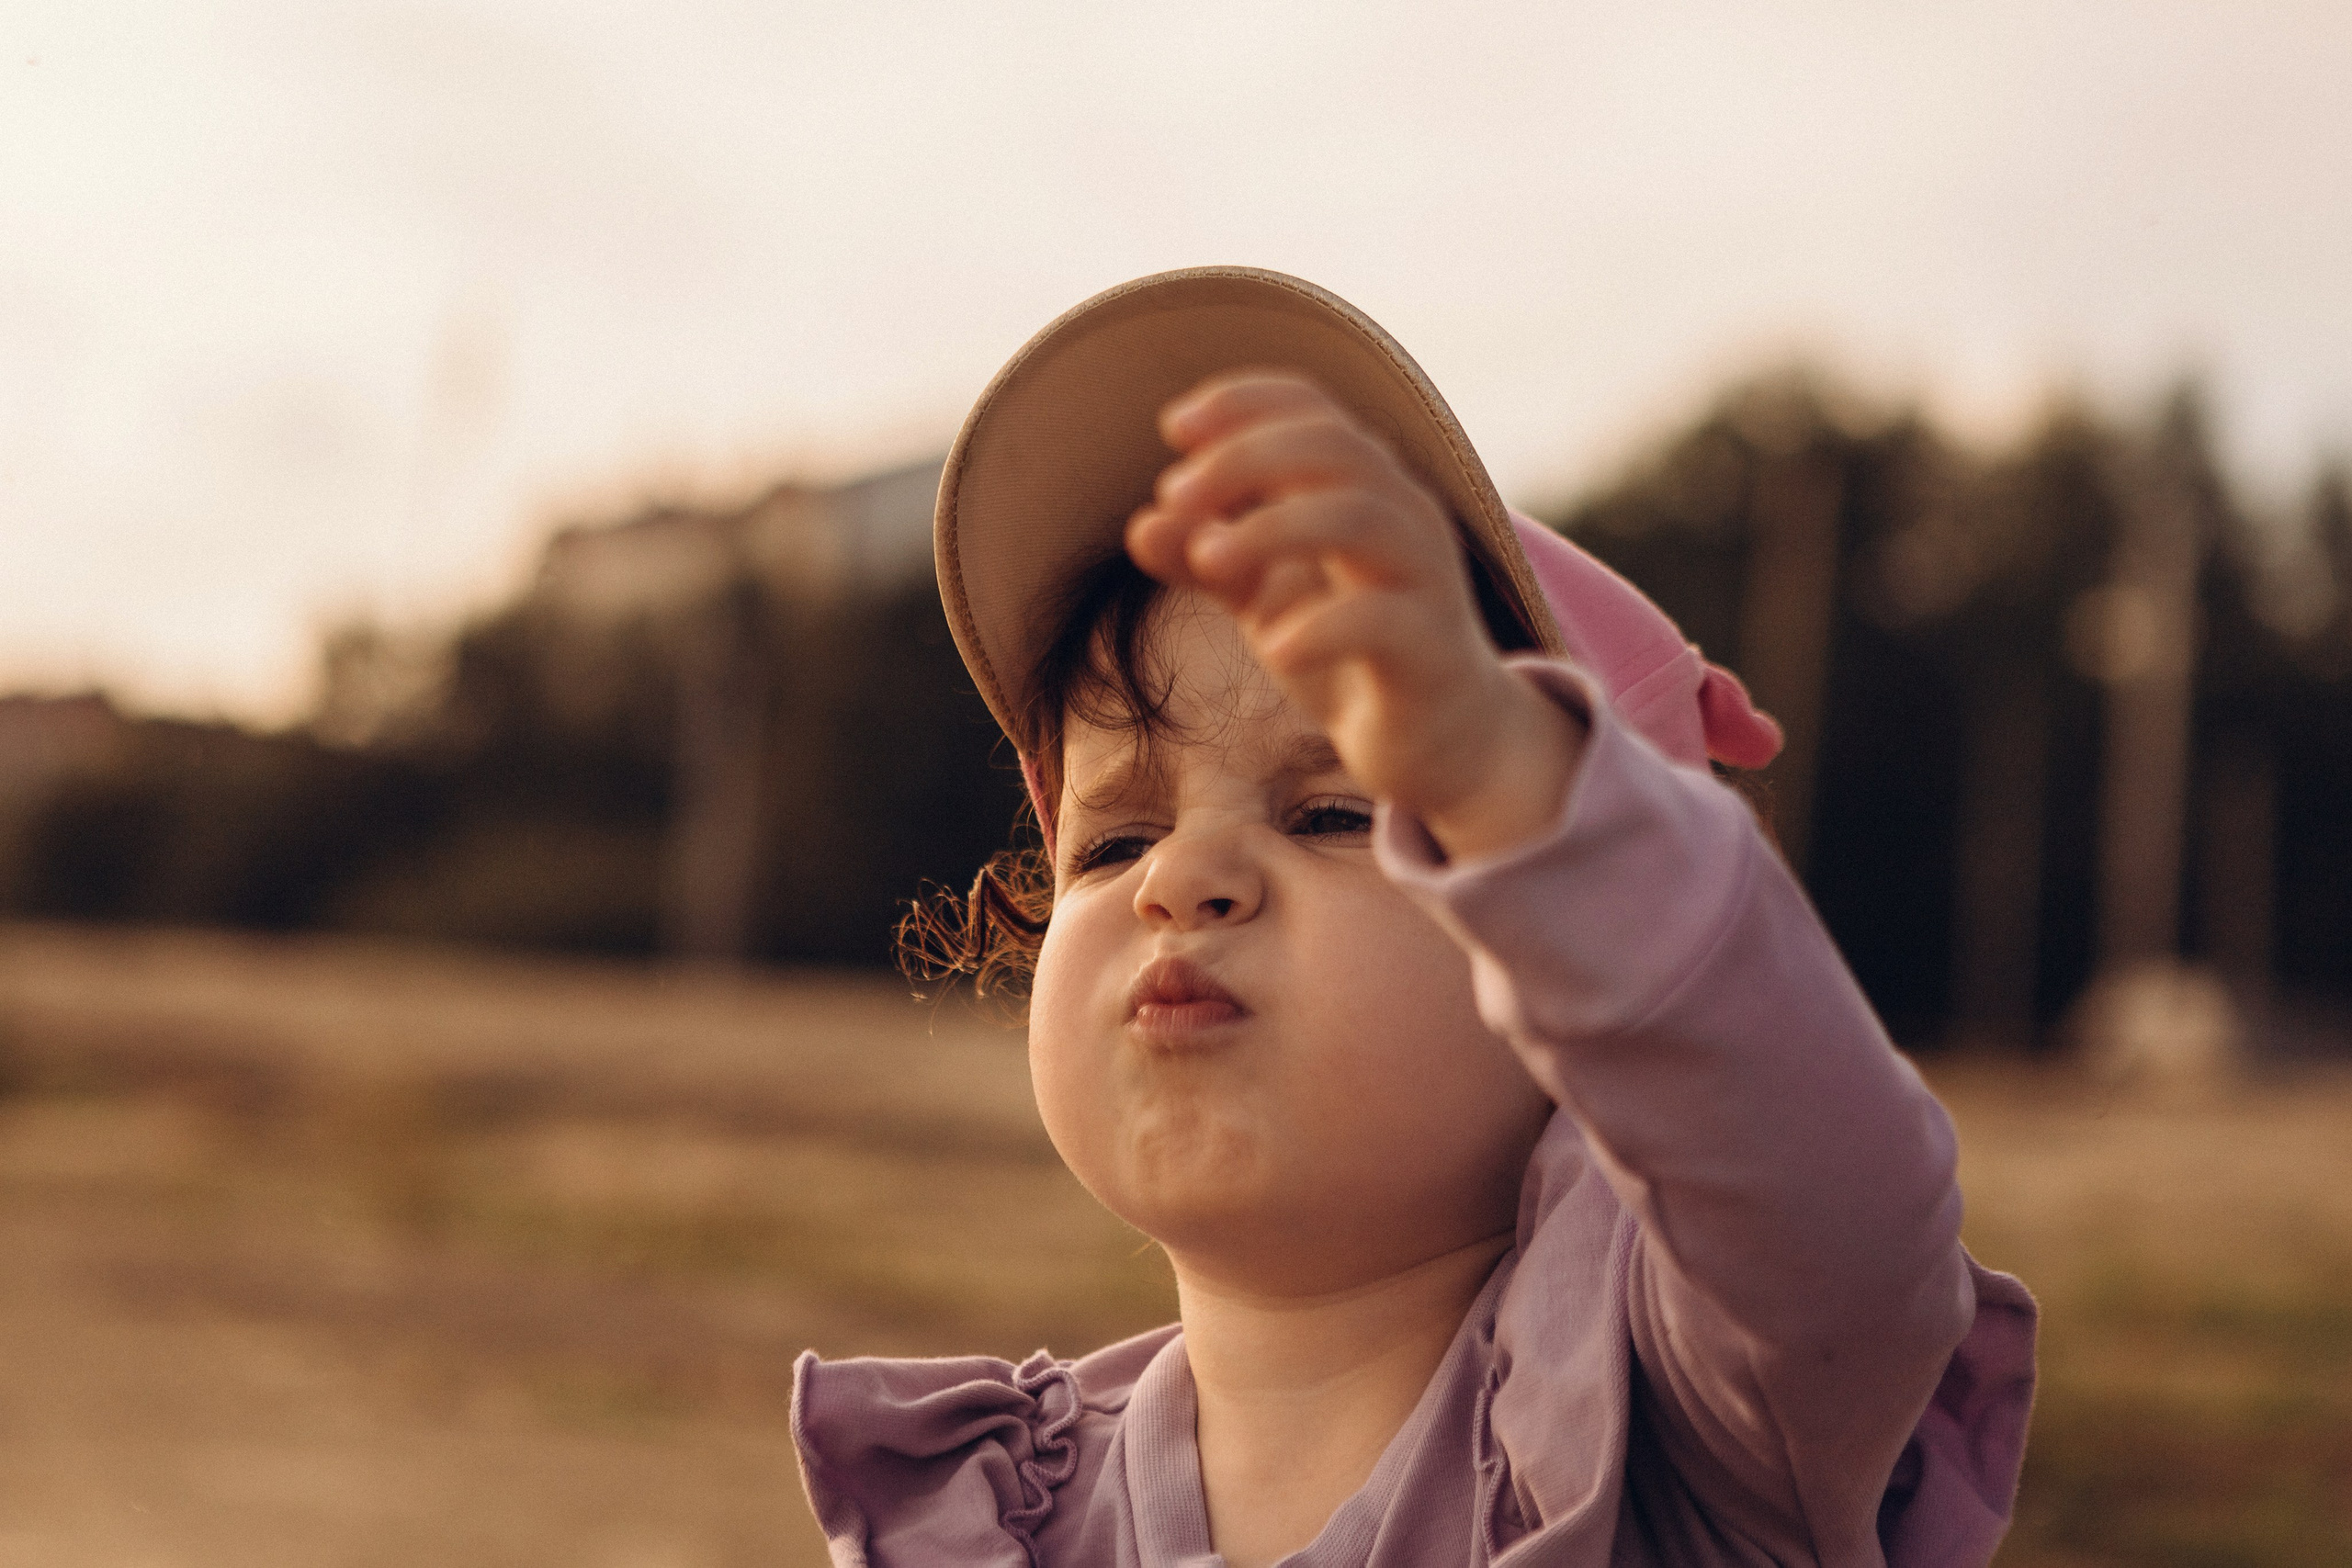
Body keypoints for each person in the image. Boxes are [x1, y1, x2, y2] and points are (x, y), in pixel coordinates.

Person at [791, 267, 2038, 1567]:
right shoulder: (997, 1517)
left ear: (1593, 979)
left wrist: (1516, 779)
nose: (1182, 878)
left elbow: (1832, 1195)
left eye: (1338, 814)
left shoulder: (1691, 1444)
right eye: (1114, 840)